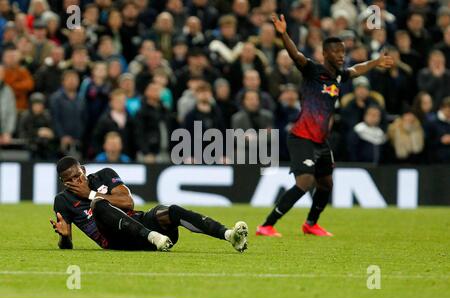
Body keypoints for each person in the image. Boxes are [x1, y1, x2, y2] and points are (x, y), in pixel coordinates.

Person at [256, 14, 393, 237]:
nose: (341, 56)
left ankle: (310, 224)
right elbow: (296, 55)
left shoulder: (339, 76)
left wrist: (376, 62)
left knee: (326, 184)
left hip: (320, 141)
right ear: (325, 53)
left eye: (343, 52)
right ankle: (267, 225)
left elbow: (357, 69)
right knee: (305, 182)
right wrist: (283, 34)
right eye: (336, 52)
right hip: (302, 137)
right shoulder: (312, 71)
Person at [50, 156, 248, 252]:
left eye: (78, 175)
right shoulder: (62, 201)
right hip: (116, 241)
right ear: (63, 182)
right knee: (99, 206)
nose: (76, 181)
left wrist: (91, 193)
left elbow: (128, 202)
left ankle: (229, 235)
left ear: (83, 169)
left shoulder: (104, 175)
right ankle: (153, 238)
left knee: (171, 211)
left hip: (141, 224)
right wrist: (64, 237)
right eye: (70, 180)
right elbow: (67, 247)